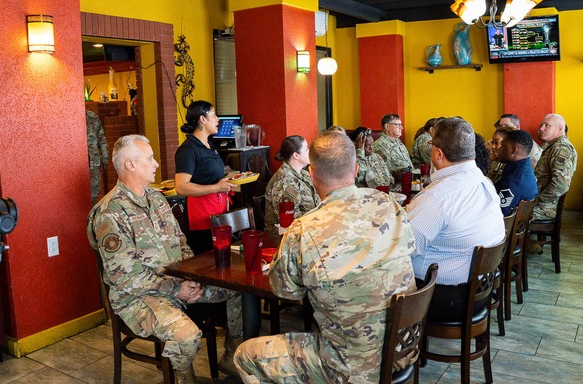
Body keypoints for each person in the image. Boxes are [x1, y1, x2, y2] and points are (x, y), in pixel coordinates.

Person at [234, 133, 416, 383]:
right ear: (355, 168)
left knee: (245, 354)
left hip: (351, 365)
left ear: (312, 175)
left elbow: (285, 291)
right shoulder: (389, 204)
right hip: (402, 348)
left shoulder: (303, 229)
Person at [88, 134, 243, 383]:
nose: (156, 164)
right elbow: (126, 277)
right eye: (149, 158)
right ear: (131, 165)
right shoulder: (110, 213)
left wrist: (192, 280)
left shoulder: (157, 199)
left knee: (238, 290)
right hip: (138, 298)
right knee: (187, 335)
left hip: (178, 283)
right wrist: (176, 288)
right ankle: (184, 378)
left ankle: (232, 354)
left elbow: (181, 244)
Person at [406, 118, 504, 320]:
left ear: (438, 153)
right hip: (481, 289)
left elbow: (405, 248)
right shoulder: (484, 182)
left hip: (444, 297)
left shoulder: (437, 197)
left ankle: (395, 348)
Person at [174, 101, 238, 254]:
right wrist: (216, 187)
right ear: (202, 119)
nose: (218, 119)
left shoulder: (209, 145)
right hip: (201, 216)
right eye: (214, 114)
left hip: (217, 211)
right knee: (207, 260)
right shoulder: (188, 150)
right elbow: (181, 187)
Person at [264, 135, 320, 233]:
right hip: (287, 237)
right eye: (306, 149)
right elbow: (290, 223)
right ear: (296, 155)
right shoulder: (283, 183)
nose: (309, 152)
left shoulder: (304, 173)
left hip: (310, 229)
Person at [532, 114, 577, 233]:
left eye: (547, 126)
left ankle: (525, 245)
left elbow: (560, 185)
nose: (541, 128)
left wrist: (538, 200)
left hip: (545, 207)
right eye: (541, 125)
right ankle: (529, 244)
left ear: (560, 129)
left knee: (511, 215)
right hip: (541, 202)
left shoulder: (561, 148)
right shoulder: (551, 146)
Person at [494, 130, 539, 216]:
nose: (499, 148)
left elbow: (498, 214)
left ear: (513, 150)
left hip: (505, 226)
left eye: (503, 145)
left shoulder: (512, 181)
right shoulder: (526, 170)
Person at [374, 113, 414, 181]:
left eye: (401, 125)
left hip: (409, 180)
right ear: (387, 127)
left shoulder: (398, 142)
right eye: (398, 125)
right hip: (395, 185)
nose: (401, 128)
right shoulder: (379, 145)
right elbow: (385, 173)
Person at [86, 109, 108, 205]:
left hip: (93, 163)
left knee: (93, 194)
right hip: (72, 164)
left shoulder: (92, 117)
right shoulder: (66, 116)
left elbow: (101, 139)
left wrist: (105, 158)